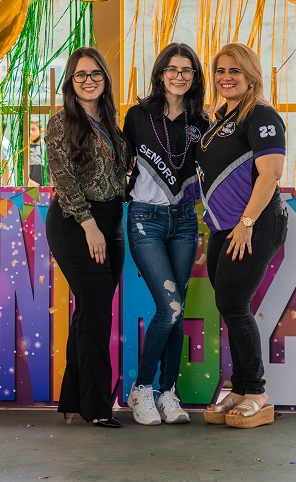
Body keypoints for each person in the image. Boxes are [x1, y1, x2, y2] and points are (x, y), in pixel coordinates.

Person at [195, 42, 288, 429]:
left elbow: (270, 174)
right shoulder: (219, 119)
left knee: (234, 305)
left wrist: (247, 225)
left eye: (235, 70)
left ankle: (257, 393)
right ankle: (242, 386)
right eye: (220, 71)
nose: (226, 77)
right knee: (229, 307)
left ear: (251, 75)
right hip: (224, 229)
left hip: (254, 225)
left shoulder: (261, 115)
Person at [44, 46, 131, 428]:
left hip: (111, 221)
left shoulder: (113, 121)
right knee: (97, 312)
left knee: (88, 311)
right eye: (80, 75)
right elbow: (63, 178)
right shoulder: (62, 122)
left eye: (95, 74)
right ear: (70, 83)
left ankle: (73, 399)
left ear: (105, 81)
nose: (88, 80)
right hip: (75, 222)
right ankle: (97, 408)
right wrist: (89, 225)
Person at [122, 43, 207, 425]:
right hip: (145, 219)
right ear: (159, 74)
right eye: (172, 69)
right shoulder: (138, 116)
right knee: (169, 307)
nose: (179, 76)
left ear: (194, 77)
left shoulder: (201, 123)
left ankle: (168, 393)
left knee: (177, 310)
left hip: (185, 220)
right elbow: (119, 165)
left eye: (187, 70)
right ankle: (141, 389)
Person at [28, 116, 45, 186]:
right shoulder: (25, 148)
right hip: (30, 187)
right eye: (29, 129)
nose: (30, 132)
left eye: (33, 129)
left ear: (41, 131)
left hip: (47, 186)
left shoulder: (45, 145)